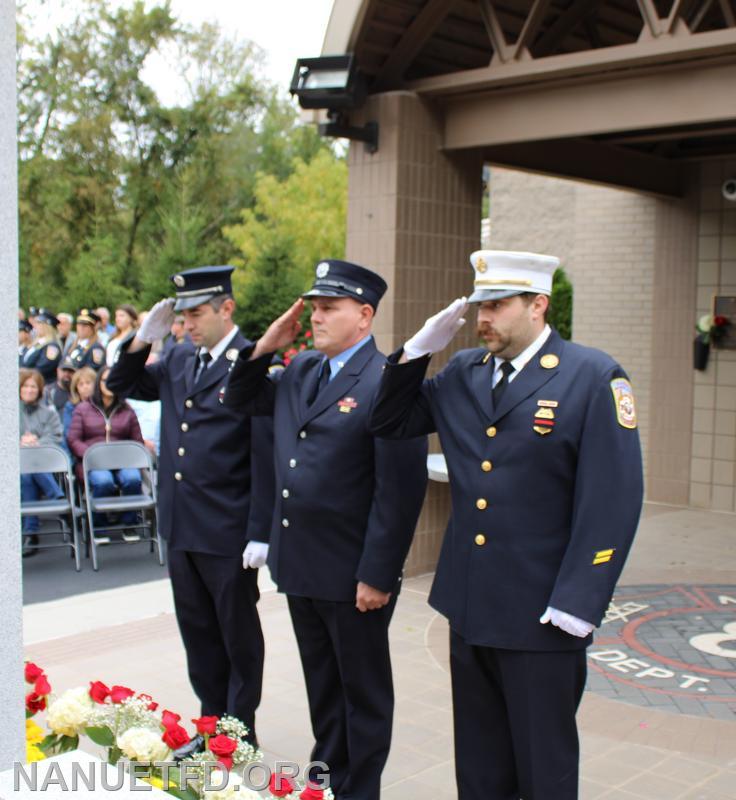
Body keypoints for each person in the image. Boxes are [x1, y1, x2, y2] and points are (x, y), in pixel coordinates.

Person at [369, 250, 644, 800]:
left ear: (538, 305)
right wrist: (416, 351)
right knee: (479, 762)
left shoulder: (592, 376)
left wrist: (578, 601)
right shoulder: (464, 372)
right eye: (479, 306)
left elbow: (613, 500)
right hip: (471, 604)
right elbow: (389, 419)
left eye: (497, 305)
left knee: (543, 767)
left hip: (544, 613)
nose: (482, 318)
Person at [224, 259, 428, 800]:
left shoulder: (388, 380)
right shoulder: (302, 371)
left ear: (363, 316)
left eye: (328, 308)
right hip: (303, 566)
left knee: (361, 695)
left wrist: (378, 574)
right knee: (324, 690)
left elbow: (400, 492)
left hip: (354, 572)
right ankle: (328, 780)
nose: (315, 317)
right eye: (313, 307)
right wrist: (263, 347)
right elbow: (238, 400)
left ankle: (358, 791)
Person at [106, 265, 276, 750]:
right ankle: (211, 726)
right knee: (198, 635)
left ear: (227, 308)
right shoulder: (181, 358)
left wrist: (260, 530)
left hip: (227, 529)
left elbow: (263, 454)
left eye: (197, 313)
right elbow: (123, 382)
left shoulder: (251, 361)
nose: (187, 324)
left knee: (237, 638)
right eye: (182, 316)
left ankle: (239, 733)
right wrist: (141, 341)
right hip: (182, 525)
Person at [66, 366, 144, 542]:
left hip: (123, 461)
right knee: (103, 481)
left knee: (133, 479)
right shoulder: (83, 409)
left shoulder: (127, 410)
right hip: (94, 463)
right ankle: (99, 527)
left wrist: (128, 456)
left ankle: (129, 525)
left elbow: (137, 441)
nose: (110, 384)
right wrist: (92, 455)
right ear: (99, 383)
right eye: (105, 380)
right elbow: (73, 439)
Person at [19, 368, 65, 556]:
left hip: (44, 462)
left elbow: (55, 437)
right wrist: (20, 442)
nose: (30, 390)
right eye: (26, 386)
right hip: (16, 464)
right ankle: (58, 498)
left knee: (30, 472)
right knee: (25, 474)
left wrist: (36, 443)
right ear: (20, 388)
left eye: (34, 387)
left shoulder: (49, 413)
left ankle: (31, 534)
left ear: (39, 391)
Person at [62, 366, 97, 450]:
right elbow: (68, 433)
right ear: (76, 388)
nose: (85, 387)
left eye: (88, 383)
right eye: (81, 384)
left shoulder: (100, 405)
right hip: (77, 448)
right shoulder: (70, 407)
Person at [22, 309, 62, 383]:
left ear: (46, 326)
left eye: (39, 323)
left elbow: (43, 367)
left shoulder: (52, 346)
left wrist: (23, 375)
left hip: (41, 385)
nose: (35, 326)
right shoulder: (37, 343)